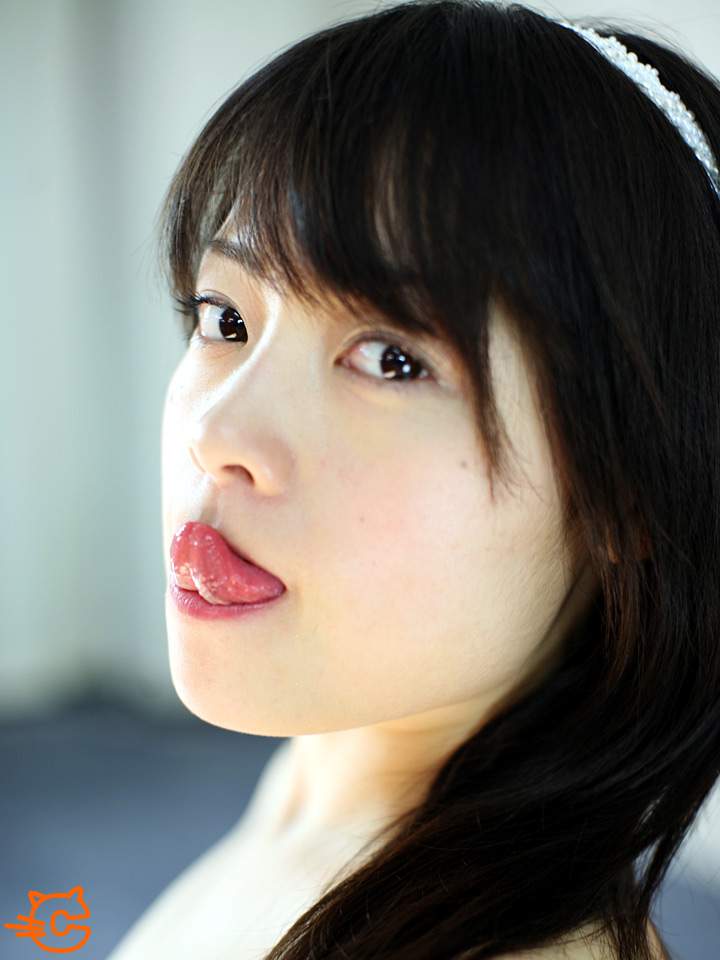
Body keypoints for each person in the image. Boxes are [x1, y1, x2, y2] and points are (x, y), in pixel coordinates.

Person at [111, 1, 720, 957]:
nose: (214, 432)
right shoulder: (329, 781)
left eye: (390, 360)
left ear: (626, 492)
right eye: (226, 320)